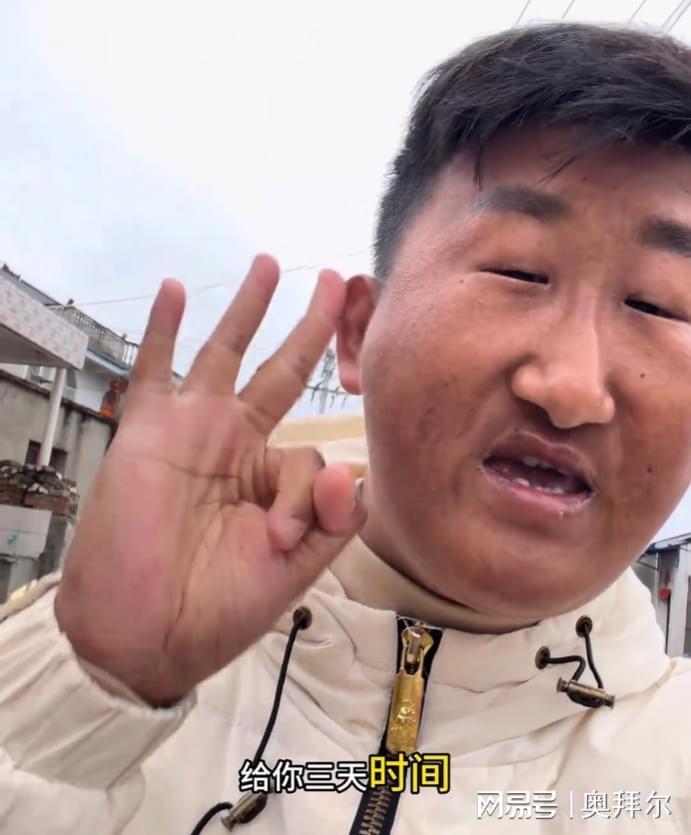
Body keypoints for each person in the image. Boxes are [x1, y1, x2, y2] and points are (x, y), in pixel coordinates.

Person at [2, 20, 691, 835]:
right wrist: (83, 696)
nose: (571, 387)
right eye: (518, 270)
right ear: (358, 332)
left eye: (658, 304)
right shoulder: (84, 655)